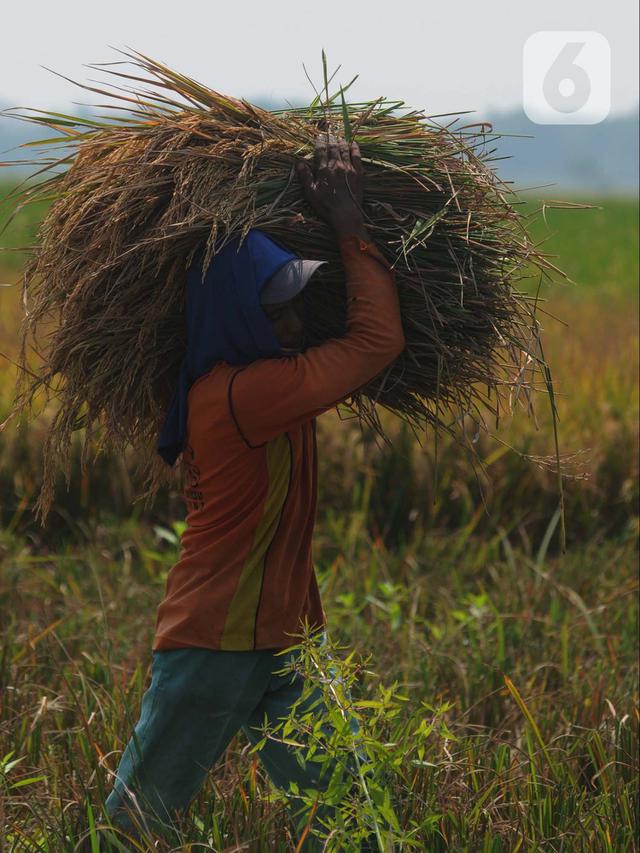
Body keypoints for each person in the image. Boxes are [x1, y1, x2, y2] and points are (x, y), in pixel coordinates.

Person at [102, 132, 405, 851]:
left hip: (288, 638)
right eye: (279, 308)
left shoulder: (255, 385)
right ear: (236, 314)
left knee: (353, 820)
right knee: (134, 826)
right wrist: (349, 222)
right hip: (215, 640)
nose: (295, 323)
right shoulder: (242, 395)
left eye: (297, 303)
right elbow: (376, 344)